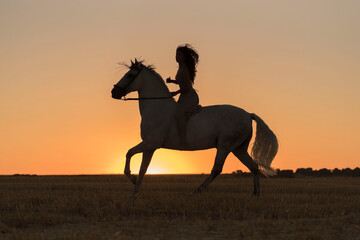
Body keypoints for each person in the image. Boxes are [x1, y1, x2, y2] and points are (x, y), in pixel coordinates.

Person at [166, 44, 200, 148]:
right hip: (185, 96)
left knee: (179, 115)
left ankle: (182, 140)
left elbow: (187, 87)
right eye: (176, 54)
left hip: (189, 96)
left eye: (180, 55)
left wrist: (175, 93)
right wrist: (172, 81)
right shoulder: (181, 68)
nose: (177, 56)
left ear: (184, 57)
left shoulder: (184, 69)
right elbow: (182, 82)